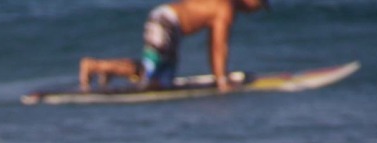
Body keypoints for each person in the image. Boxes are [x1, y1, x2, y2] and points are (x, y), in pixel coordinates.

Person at [78, 0, 269, 92]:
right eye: (260, 4)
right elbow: (219, 46)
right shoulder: (225, 8)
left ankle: (109, 69)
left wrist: (219, 76)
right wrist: (221, 81)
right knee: (150, 73)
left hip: (171, 26)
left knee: (162, 81)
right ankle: (96, 66)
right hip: (166, 22)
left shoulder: (224, 6)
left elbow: (214, 45)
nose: (257, 8)